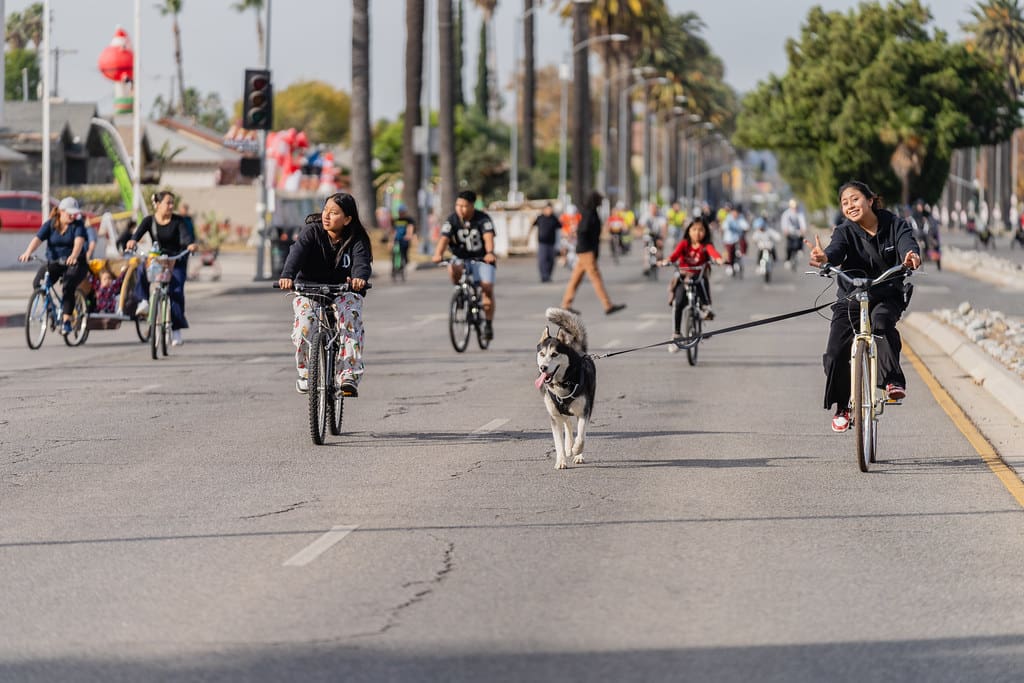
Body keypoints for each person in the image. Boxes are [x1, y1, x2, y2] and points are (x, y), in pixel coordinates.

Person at [807, 180, 921, 433]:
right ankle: (844, 406)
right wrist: (824, 258)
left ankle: (891, 380)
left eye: (855, 199)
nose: (850, 205)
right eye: (845, 203)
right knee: (835, 352)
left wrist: (911, 256)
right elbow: (835, 251)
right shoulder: (844, 231)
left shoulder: (895, 224)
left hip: (886, 293)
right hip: (851, 297)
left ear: (870, 200)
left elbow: (907, 244)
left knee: (881, 324)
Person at [278, 192, 372, 396]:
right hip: (309, 289)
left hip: (343, 290)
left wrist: (359, 278)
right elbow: (296, 254)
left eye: (334, 213)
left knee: (350, 320)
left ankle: (348, 375)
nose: (327, 216)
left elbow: (362, 262)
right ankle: (305, 374)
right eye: (325, 211)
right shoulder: (311, 232)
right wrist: (287, 276)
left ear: (348, 219)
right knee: (305, 326)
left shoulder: (356, 238)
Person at [125, 191, 198, 346]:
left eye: (172, 203)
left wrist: (189, 245)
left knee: (176, 291)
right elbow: (136, 234)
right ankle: (144, 301)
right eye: (168, 203)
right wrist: (132, 241)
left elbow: (185, 237)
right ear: (157, 205)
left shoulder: (178, 221)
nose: (171, 206)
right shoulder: (149, 221)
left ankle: (176, 329)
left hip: (176, 260)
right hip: (157, 258)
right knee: (141, 269)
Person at [432, 189, 497, 340]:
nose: (460, 209)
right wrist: (438, 254)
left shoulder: (483, 219)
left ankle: (487, 323)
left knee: (487, 288)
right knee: (452, 266)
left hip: (481, 258)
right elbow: (443, 239)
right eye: (458, 205)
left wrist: (490, 253)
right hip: (461, 257)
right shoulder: (452, 220)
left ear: (472, 206)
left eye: (464, 206)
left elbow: (488, 238)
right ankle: (460, 293)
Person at [18, 197, 88, 335]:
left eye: (75, 213)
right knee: (38, 281)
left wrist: (73, 256)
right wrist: (27, 252)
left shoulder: (78, 225)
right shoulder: (51, 224)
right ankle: (49, 306)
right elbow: (38, 239)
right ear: (61, 211)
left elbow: (79, 242)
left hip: (75, 263)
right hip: (55, 262)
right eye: (70, 213)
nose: (73, 216)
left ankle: (67, 321)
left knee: (68, 286)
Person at [559, 191, 627, 316]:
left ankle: (566, 304)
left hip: (585, 250)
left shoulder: (590, 212)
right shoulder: (589, 214)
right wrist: (590, 247)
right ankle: (608, 305)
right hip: (586, 251)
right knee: (596, 278)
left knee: (575, 279)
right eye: (600, 200)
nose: (601, 202)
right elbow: (583, 231)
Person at [658, 216, 723, 324]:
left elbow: (714, 253)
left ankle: (706, 307)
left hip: (699, 275)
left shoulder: (706, 245)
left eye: (701, 230)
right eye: (694, 229)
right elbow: (674, 256)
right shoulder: (684, 244)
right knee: (678, 303)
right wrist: (665, 261)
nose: (697, 233)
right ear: (688, 231)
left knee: (702, 282)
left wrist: (719, 259)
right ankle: (677, 333)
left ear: (705, 232)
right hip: (683, 275)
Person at [529, 203, 560, 282]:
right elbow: (532, 224)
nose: (550, 211)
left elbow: (560, 227)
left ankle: (548, 275)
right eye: (548, 209)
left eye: (551, 209)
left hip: (552, 243)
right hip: (542, 243)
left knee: (551, 260)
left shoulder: (554, 218)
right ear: (544, 210)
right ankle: (544, 276)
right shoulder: (540, 217)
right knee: (542, 260)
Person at [780, 198, 807, 268]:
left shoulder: (800, 212)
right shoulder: (786, 214)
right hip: (789, 231)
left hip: (797, 231)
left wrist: (803, 229)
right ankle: (788, 259)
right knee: (789, 246)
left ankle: (800, 250)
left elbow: (802, 221)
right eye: (793, 207)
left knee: (800, 240)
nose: (795, 209)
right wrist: (785, 230)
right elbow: (784, 223)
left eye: (796, 207)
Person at [390, 204, 416, 273]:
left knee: (404, 251)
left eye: (402, 212)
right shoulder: (396, 220)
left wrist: (409, 235)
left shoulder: (408, 220)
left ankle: (405, 260)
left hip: (404, 239)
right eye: (400, 212)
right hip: (397, 239)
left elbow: (410, 227)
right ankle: (394, 267)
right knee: (394, 252)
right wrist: (391, 241)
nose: (401, 213)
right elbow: (393, 231)